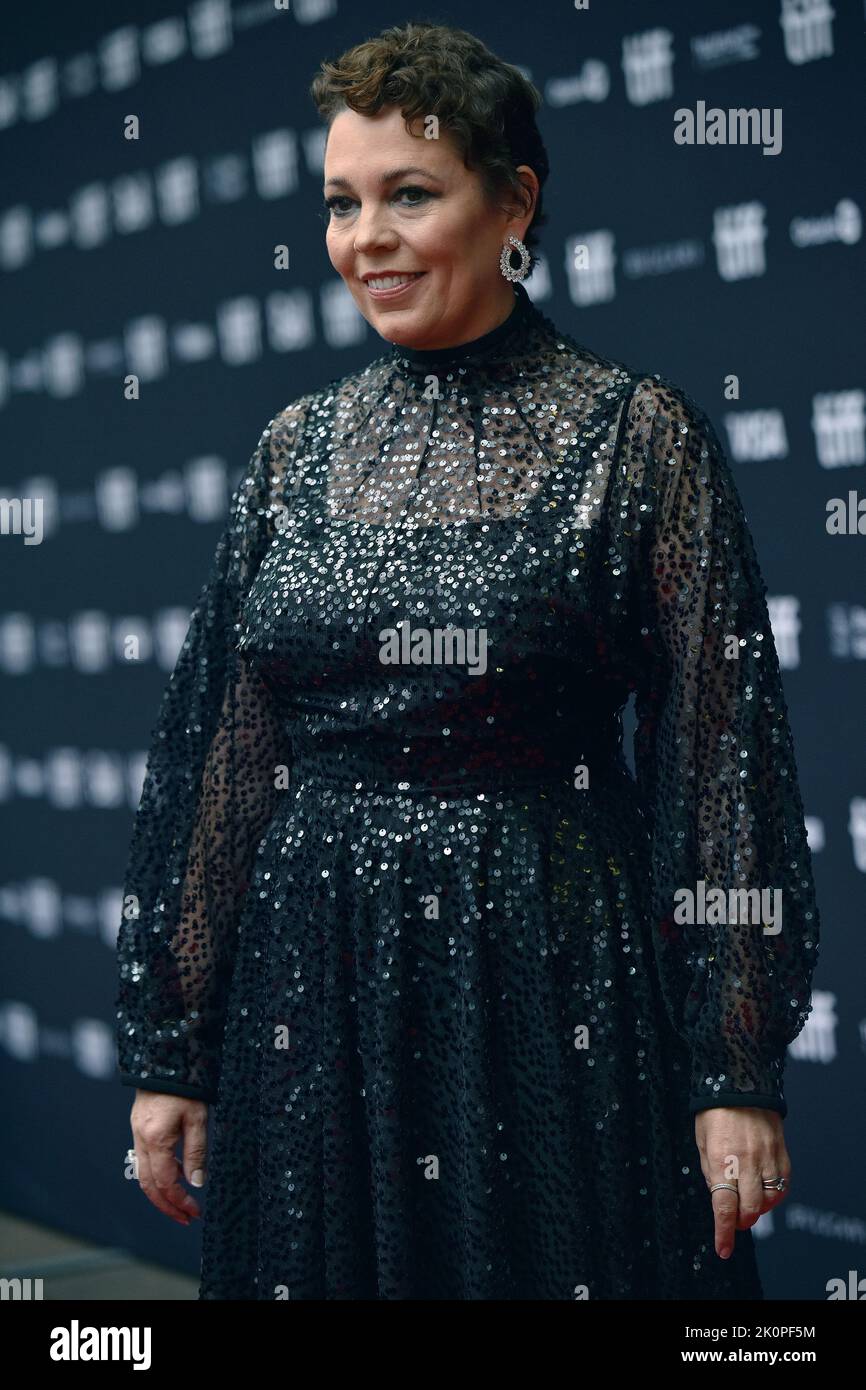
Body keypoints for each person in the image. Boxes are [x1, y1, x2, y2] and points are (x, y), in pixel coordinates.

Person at [115, 21, 820, 1300]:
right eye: (341, 204)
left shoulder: (633, 434)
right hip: (309, 996)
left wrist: (733, 1069)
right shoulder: (292, 447)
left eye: (409, 195)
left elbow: (720, 769)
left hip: (548, 979)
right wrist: (175, 1045)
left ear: (514, 203)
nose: (364, 237)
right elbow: (224, 755)